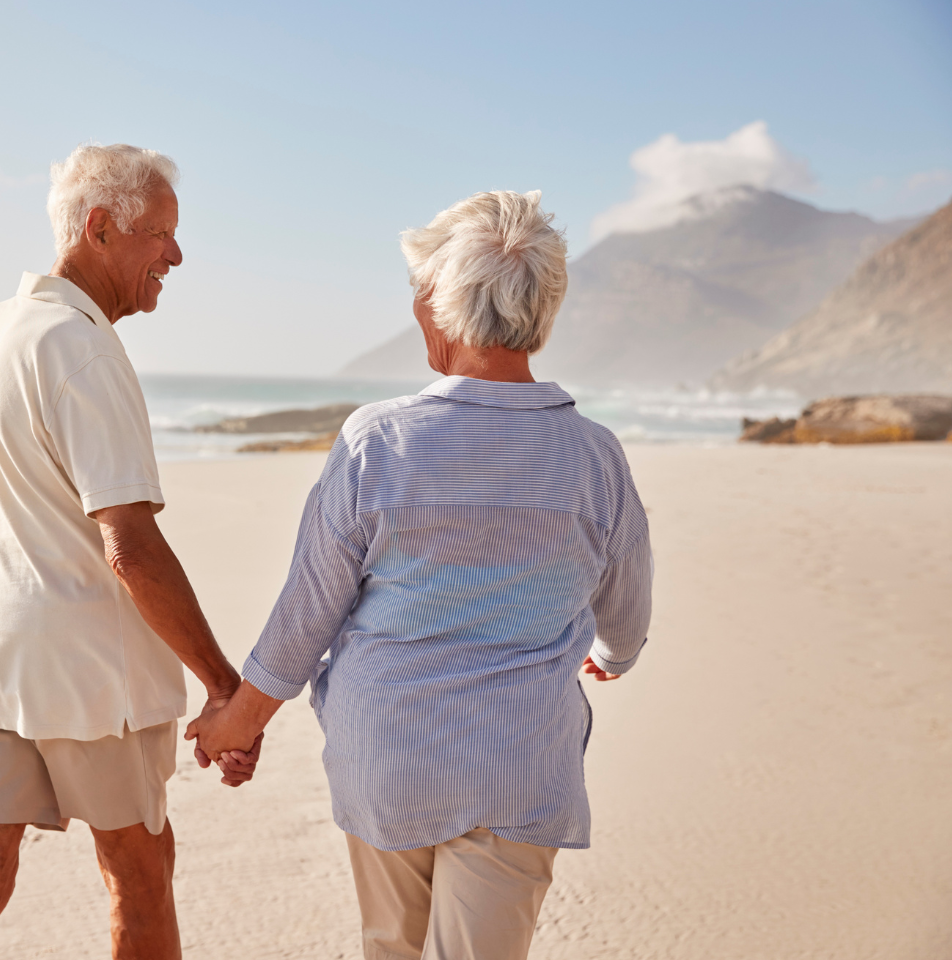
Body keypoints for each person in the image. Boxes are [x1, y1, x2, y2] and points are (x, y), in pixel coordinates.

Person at [191, 190, 654, 960]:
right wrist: (611, 656)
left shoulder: (378, 442)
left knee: (392, 948)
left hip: (391, 753)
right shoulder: (593, 456)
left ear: (440, 308)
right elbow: (628, 614)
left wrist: (236, 724)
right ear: (543, 311)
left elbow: (308, 614)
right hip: (520, 761)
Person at [0, 143, 256, 960]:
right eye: (160, 235)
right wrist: (223, 686)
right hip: (89, 680)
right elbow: (130, 545)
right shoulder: (83, 348)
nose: (175, 254)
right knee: (140, 872)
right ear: (99, 229)